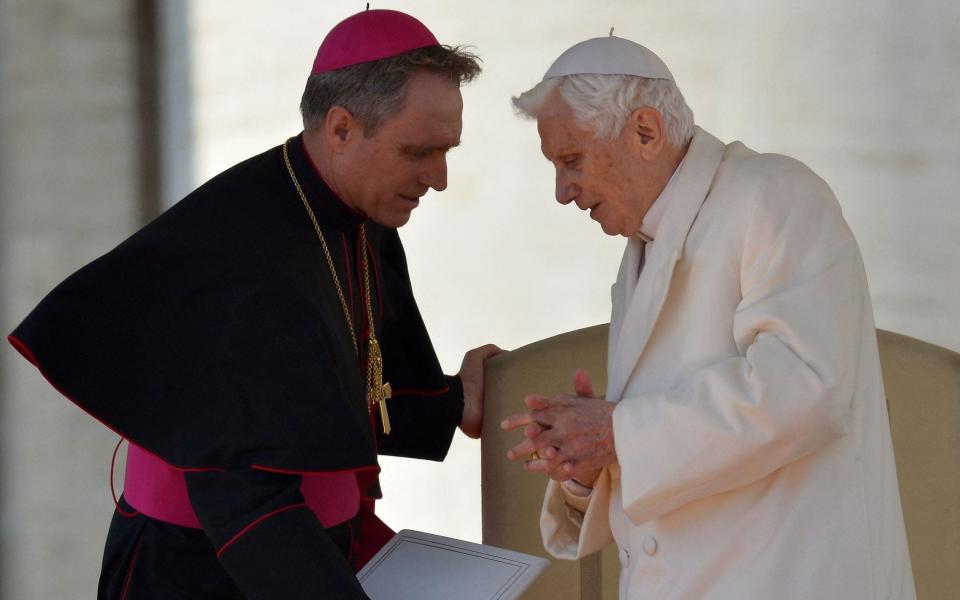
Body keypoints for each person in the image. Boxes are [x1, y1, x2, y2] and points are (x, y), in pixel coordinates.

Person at [8, 8, 500, 599]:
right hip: (204, 573)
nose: (439, 178)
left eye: (446, 151)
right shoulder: (245, 259)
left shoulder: (359, 214)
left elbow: (345, 385)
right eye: (418, 152)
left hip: (305, 552)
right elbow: (244, 500)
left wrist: (453, 403)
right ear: (341, 128)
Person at [501, 35, 915, 598]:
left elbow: (805, 389)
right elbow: (671, 448)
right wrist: (585, 465)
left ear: (645, 132)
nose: (562, 192)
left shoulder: (775, 195)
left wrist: (616, 431)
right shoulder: (643, 247)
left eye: (571, 161)